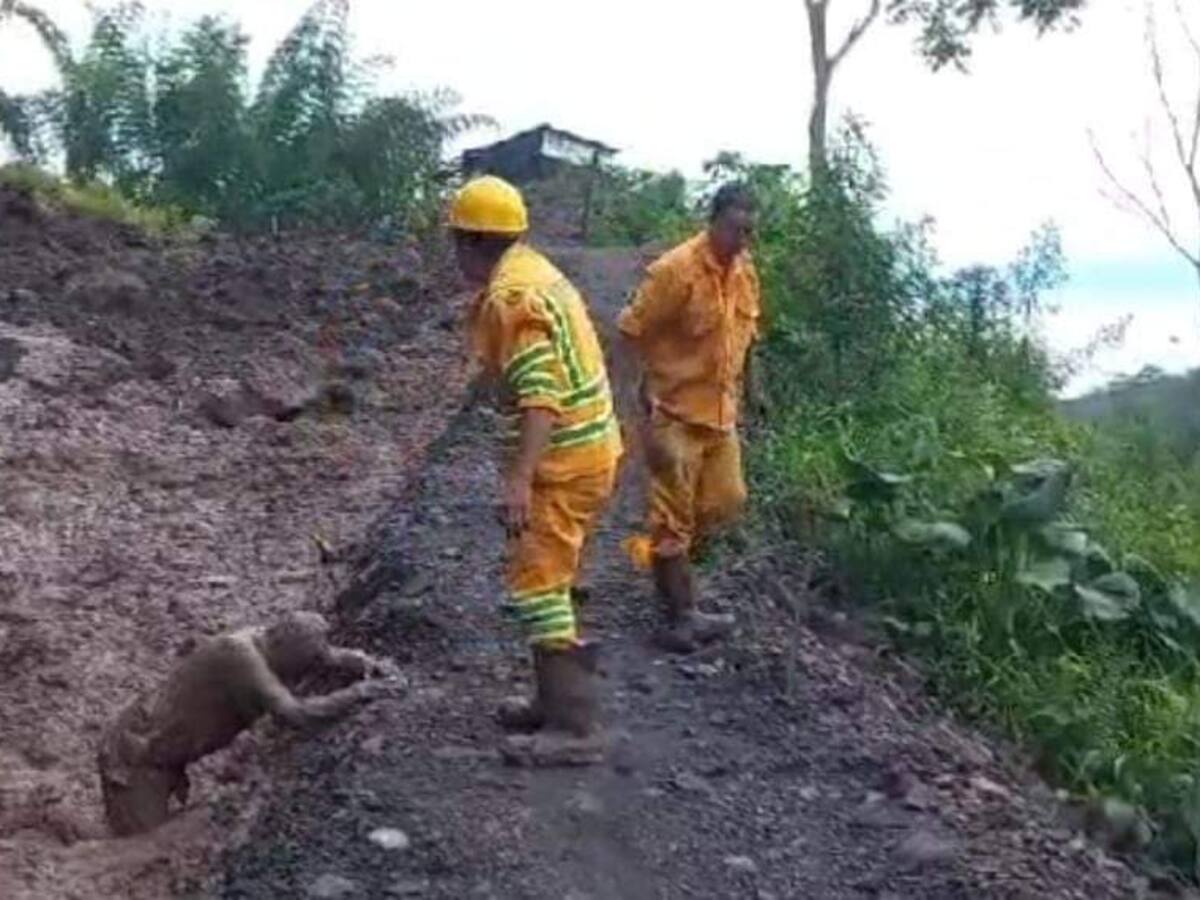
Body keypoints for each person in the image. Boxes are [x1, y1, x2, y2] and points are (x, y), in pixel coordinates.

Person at [450, 175, 622, 766]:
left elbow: (541, 396)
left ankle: (577, 729)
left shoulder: (511, 299)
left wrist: (519, 478)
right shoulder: (536, 273)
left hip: (566, 459)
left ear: (470, 242)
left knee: (539, 585)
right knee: (551, 575)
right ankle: (550, 703)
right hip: (594, 445)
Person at [97, 612, 401, 836]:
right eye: (303, 664)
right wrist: (361, 693)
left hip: (163, 752)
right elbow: (296, 715)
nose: (302, 672)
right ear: (288, 652)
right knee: (142, 847)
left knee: (156, 838)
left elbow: (324, 655)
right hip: (136, 759)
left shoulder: (268, 641)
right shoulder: (241, 657)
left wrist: (362, 663)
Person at [617, 183, 761, 652]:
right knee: (673, 519)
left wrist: (755, 392)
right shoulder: (675, 271)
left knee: (726, 502)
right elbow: (631, 331)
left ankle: (667, 569)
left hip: (720, 415)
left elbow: (748, 338)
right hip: (673, 414)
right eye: (737, 229)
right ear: (715, 220)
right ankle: (679, 618)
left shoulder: (744, 273)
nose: (744, 240)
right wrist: (629, 405)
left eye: (750, 231)